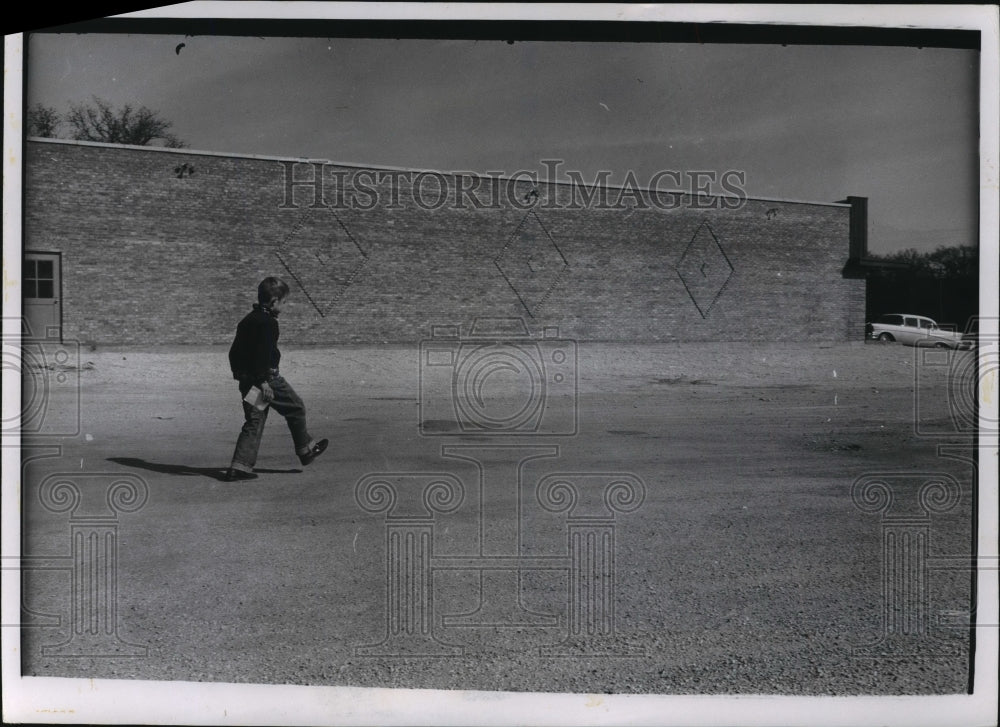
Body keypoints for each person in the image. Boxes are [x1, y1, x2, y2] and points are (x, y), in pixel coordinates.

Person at [226, 277, 328, 481]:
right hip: (268, 380)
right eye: (283, 302)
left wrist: (242, 376)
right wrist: (263, 382)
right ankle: (305, 450)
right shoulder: (268, 323)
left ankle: (240, 466)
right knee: (296, 407)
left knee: (255, 420)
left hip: (248, 380)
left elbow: (234, 353)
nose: (284, 306)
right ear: (273, 301)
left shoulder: (247, 320)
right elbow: (262, 355)